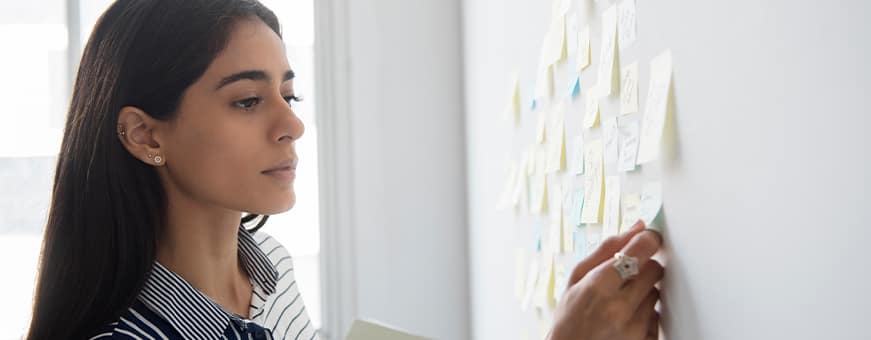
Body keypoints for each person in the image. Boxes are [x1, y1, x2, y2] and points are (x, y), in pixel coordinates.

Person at [26, 0, 664, 339]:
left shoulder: (269, 273)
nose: (291, 124)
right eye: (248, 100)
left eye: (289, 94)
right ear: (143, 135)